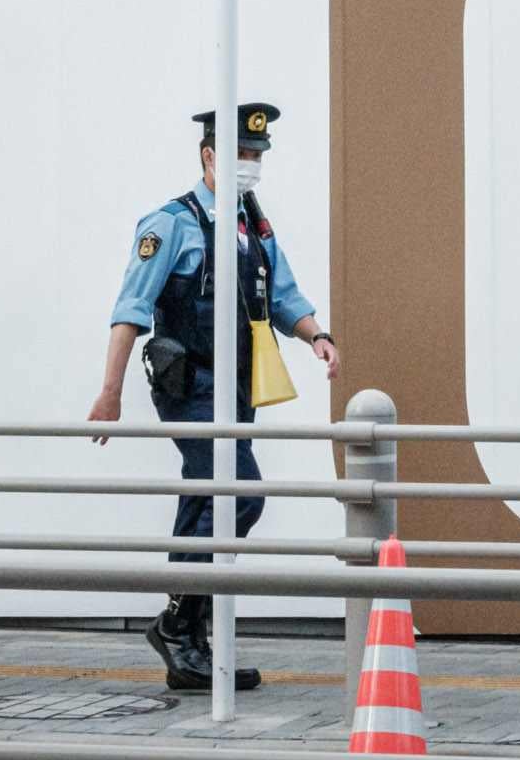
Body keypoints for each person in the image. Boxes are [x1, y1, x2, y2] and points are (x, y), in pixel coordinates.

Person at [85, 100, 338, 691]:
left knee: (203, 503)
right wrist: (110, 391)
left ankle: (190, 643)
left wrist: (316, 337)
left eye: (256, 156)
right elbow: (131, 311)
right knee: (240, 496)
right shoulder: (171, 224)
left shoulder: (254, 224)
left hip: (239, 386)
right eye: (239, 155)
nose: (250, 165)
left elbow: (284, 297)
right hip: (191, 385)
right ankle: (177, 621)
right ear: (208, 156)